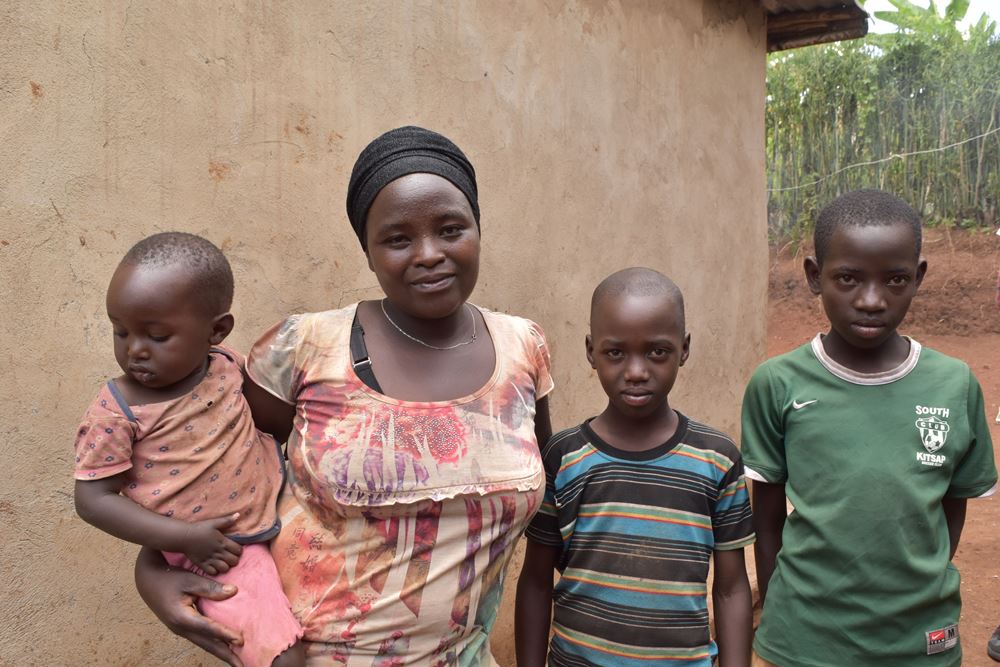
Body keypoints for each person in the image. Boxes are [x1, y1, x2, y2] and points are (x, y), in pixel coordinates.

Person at [132, 126, 554, 666]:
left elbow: (553, 498)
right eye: (398, 239)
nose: (428, 254)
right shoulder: (304, 347)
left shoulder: (525, 348)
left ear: (478, 229)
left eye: (451, 228)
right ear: (368, 250)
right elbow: (217, 474)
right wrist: (155, 569)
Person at [743, 190, 998, 667]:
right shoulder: (777, 383)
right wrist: (780, 605)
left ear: (918, 277)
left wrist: (918, 578)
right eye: (848, 278)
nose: (872, 300)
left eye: (895, 279)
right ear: (815, 277)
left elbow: (952, 504)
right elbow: (768, 512)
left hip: (919, 637)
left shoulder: (954, 383)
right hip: (803, 639)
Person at [73, 232, 305, 667]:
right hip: (216, 551)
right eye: (121, 332)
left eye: (157, 336)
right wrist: (182, 540)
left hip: (278, 520)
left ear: (216, 331)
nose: (134, 350)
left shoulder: (226, 366)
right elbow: (92, 500)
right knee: (283, 658)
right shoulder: (117, 412)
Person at [515, 267, 755, 667]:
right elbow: (536, 582)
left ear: (685, 348)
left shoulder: (717, 458)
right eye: (616, 353)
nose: (637, 371)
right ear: (591, 351)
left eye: (657, 351)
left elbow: (731, 588)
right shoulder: (564, 456)